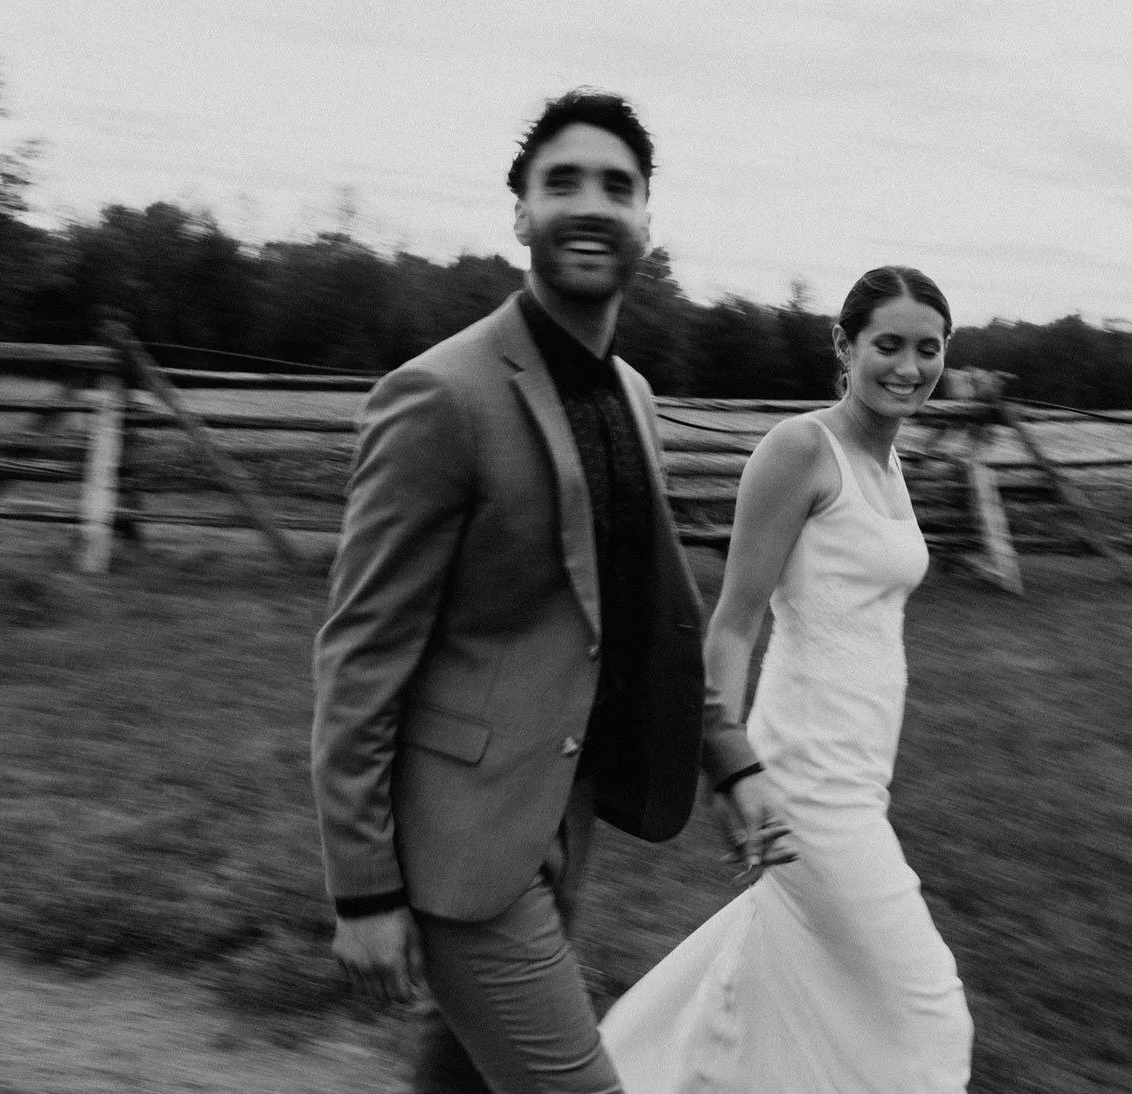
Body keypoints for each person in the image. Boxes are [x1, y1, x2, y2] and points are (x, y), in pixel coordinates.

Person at [310, 88, 789, 1094]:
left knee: (467, 1079)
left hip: (565, 812)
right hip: (459, 842)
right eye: (560, 181)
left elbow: (653, 615)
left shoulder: (632, 395)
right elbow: (360, 654)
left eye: (617, 186)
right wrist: (363, 889)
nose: (590, 203)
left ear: (646, 224)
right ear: (520, 213)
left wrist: (730, 761)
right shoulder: (440, 394)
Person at [599, 266, 975, 1092]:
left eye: (928, 348)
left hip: (860, 770)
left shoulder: (890, 465)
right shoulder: (803, 449)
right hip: (804, 777)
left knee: (776, 988)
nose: (908, 367)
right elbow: (734, 620)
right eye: (888, 345)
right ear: (844, 346)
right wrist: (729, 770)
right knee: (929, 1012)